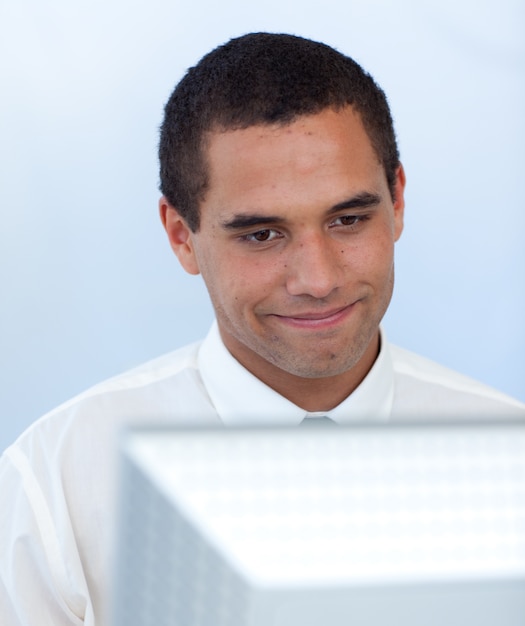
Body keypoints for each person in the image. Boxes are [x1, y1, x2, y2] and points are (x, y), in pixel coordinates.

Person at [1, 32, 523, 626]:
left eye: (349, 219)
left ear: (397, 201)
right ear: (181, 235)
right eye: (261, 235)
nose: (318, 279)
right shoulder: (57, 487)